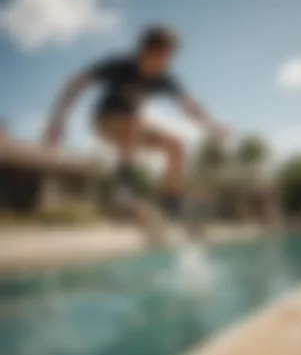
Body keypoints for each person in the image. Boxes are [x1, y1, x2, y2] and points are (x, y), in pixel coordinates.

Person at [43, 25, 226, 217]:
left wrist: (212, 125)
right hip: (105, 122)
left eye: (169, 59)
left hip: (134, 127)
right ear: (145, 51)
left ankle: (171, 205)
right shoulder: (119, 65)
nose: (165, 65)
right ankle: (124, 189)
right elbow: (77, 83)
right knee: (134, 119)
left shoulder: (164, 78)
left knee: (177, 146)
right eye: (162, 58)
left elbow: (189, 105)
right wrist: (57, 120)